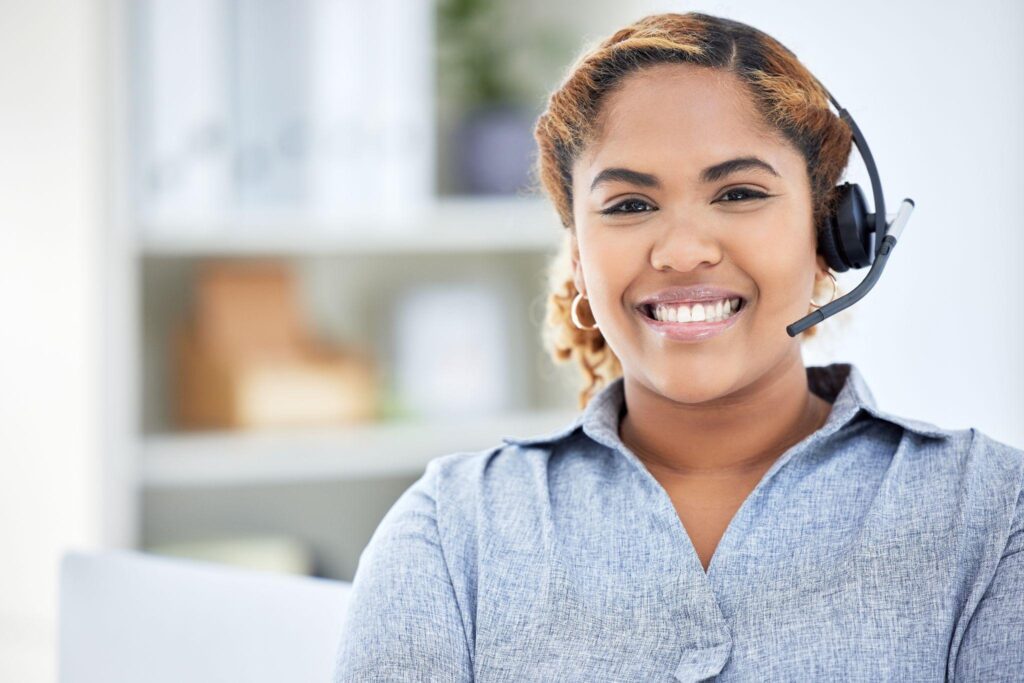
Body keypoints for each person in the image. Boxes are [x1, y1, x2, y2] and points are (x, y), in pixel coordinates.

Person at [333, 12, 1023, 682]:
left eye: (739, 192)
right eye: (630, 205)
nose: (683, 250)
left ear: (830, 237)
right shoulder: (454, 528)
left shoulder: (991, 514)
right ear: (578, 257)